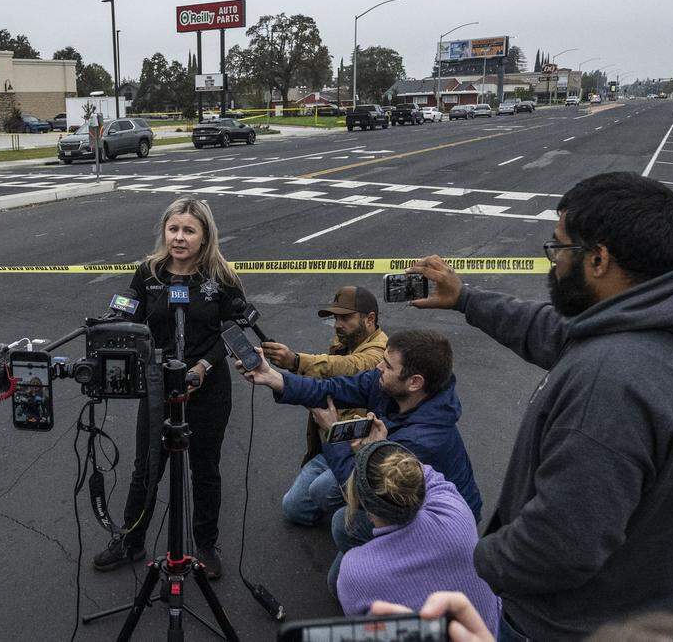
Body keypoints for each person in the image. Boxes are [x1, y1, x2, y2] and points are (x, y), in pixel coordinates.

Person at [407, 172, 673, 641]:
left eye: (559, 248)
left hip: (578, 626)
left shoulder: (610, 383)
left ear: (599, 258)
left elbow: (558, 548)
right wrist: (465, 298)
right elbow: (556, 332)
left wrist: (480, 556)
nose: (552, 262)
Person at [92, 197, 244, 579]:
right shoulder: (148, 273)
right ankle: (131, 539)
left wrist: (202, 367)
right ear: (164, 231)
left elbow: (232, 332)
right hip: (158, 387)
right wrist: (108, 328)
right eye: (173, 229)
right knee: (147, 468)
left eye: (189, 231)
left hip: (207, 387)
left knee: (205, 469)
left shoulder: (221, 276)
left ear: (204, 236)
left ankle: (205, 545)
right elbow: (130, 318)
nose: (179, 238)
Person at [240, 329, 482, 550]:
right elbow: (331, 389)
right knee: (305, 501)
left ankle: (396, 567)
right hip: (377, 464)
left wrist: (334, 435)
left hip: (435, 522)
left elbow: (362, 489)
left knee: (342, 527)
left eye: (387, 365)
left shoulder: (421, 441)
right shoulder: (389, 385)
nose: (378, 367)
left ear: (414, 382)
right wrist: (273, 377)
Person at [334, 441, 499, 635]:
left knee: (334, 578)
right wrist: (380, 447)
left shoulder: (354, 572)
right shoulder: (455, 510)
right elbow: (423, 472)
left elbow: (365, 631)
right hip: (486, 633)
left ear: (368, 511)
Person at [261, 286, 388, 527]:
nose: (338, 324)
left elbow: (346, 367)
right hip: (332, 443)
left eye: (345, 318)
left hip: (358, 449)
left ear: (370, 319)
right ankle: (345, 492)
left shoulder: (379, 354)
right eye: (336, 318)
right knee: (294, 508)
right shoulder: (346, 341)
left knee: (326, 500)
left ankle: (366, 508)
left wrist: (295, 361)